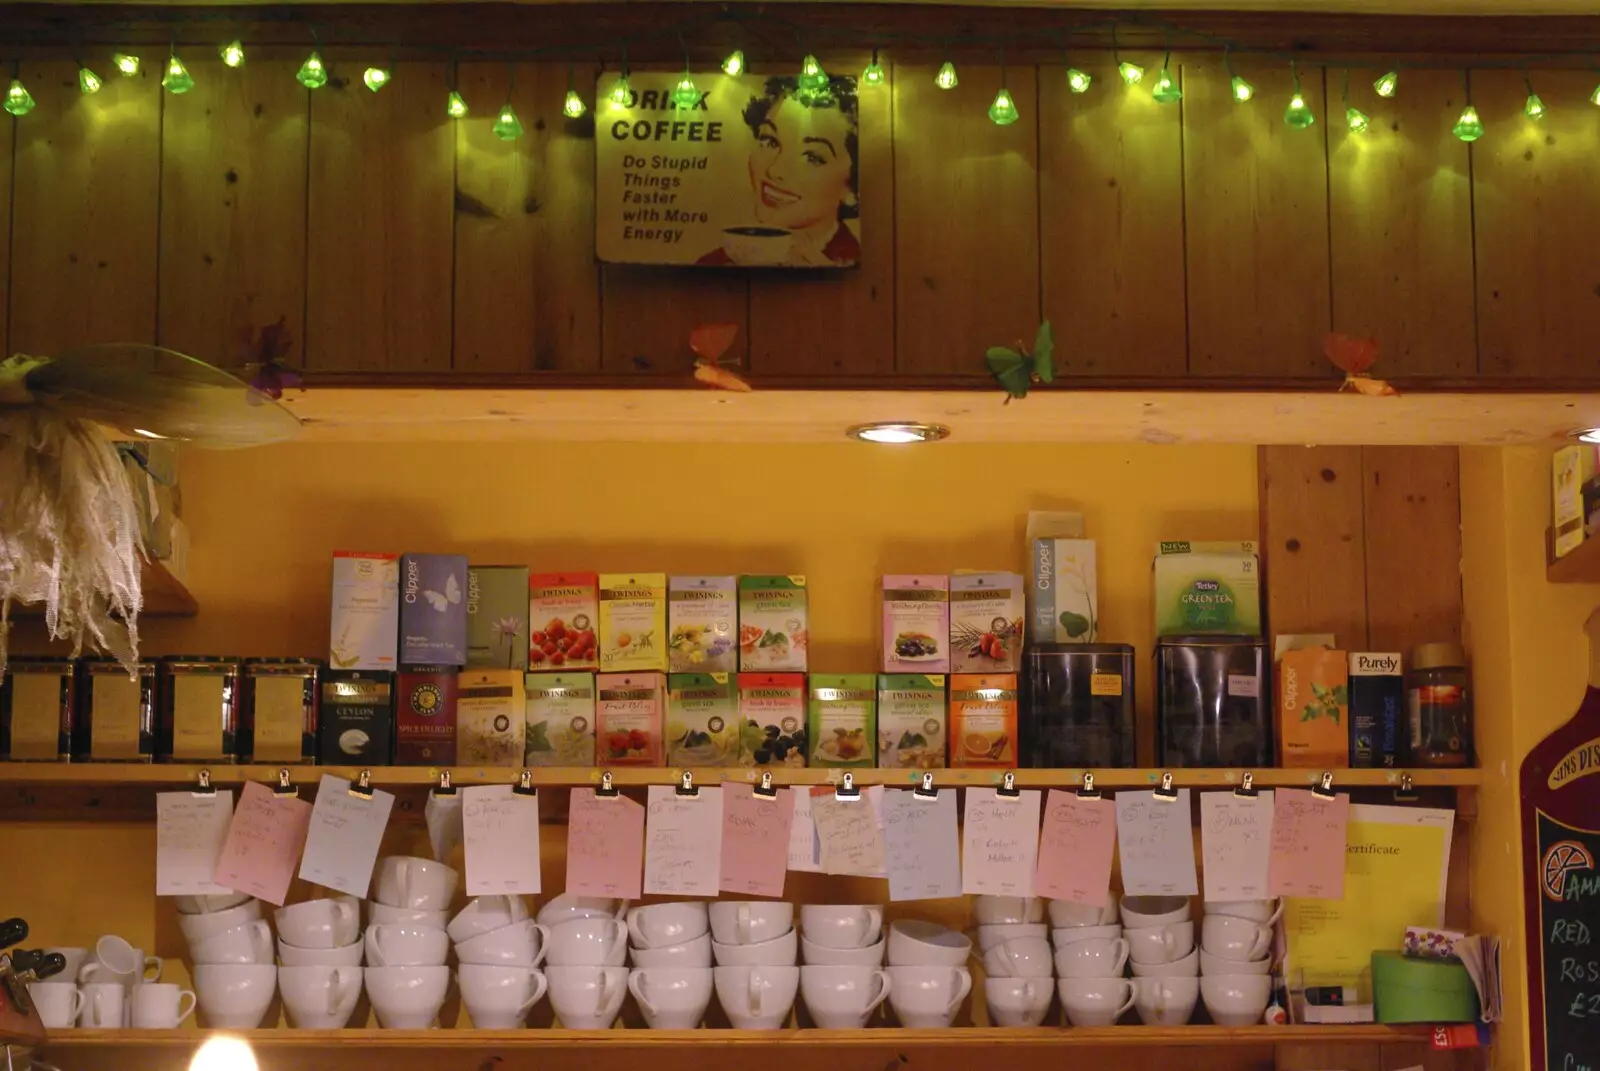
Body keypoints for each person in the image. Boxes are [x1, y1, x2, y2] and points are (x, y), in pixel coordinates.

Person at [697, 75, 860, 266]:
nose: (775, 170)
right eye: (770, 141)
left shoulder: (853, 265)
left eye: (812, 158)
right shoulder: (713, 264)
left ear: (850, 188)